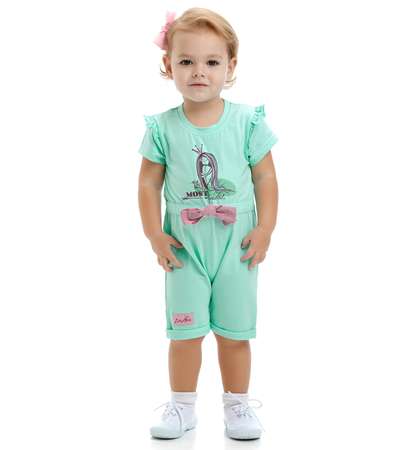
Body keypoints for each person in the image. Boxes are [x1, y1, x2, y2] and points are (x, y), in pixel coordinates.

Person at [137, 7, 279, 440]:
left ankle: (238, 406)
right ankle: (182, 407)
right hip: (184, 247)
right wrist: (154, 234)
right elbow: (148, 184)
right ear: (169, 65)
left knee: (235, 333)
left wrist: (265, 229)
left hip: (238, 245)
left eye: (212, 61)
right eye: (187, 61)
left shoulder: (246, 122)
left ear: (230, 66)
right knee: (185, 332)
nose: (199, 71)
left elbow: (266, 178)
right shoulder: (163, 128)